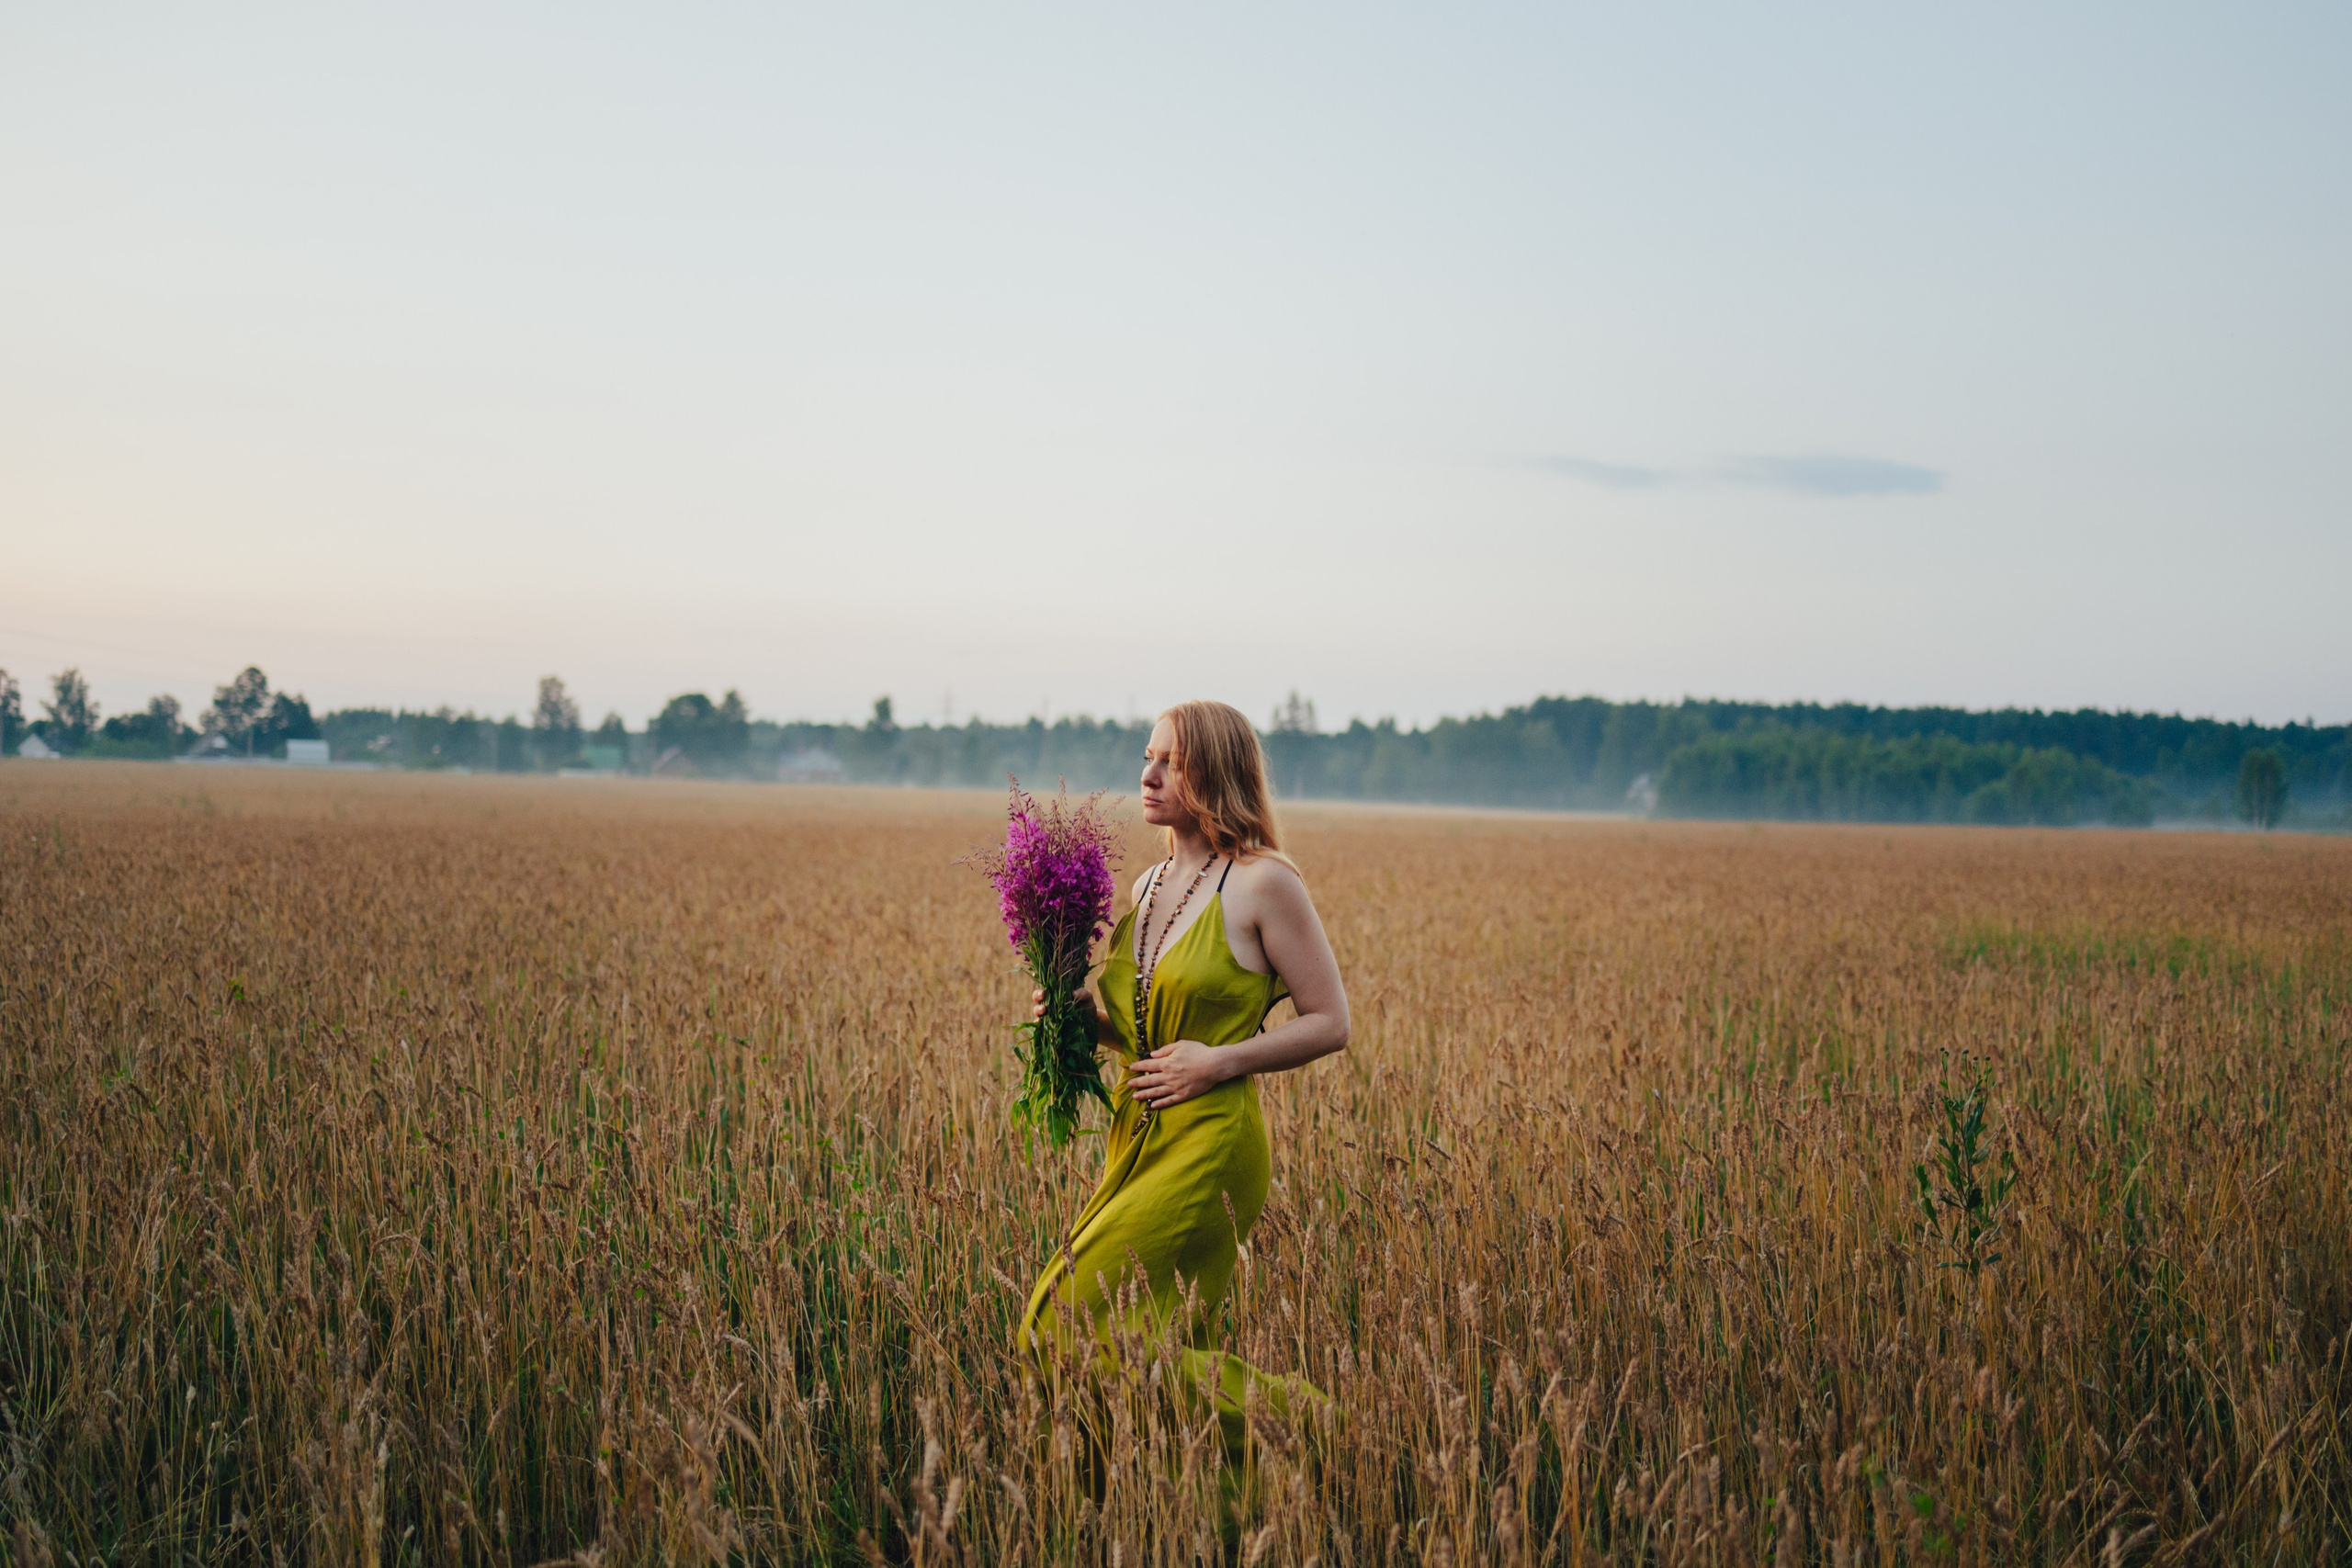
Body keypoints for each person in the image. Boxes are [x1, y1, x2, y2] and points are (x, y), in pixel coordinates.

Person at [1020, 698, 1350, 1461]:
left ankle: (1317, 1431)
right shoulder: (1146, 886)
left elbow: (1331, 1021)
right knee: (1079, 1333)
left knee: (1064, 1323)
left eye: (1172, 760)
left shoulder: (1265, 883)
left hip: (1213, 1142)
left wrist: (1222, 1057)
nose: (1148, 774)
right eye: (1148, 756)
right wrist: (1073, 1017)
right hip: (1138, 1133)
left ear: (1218, 771)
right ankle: (1165, 1498)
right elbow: (1140, 1036)